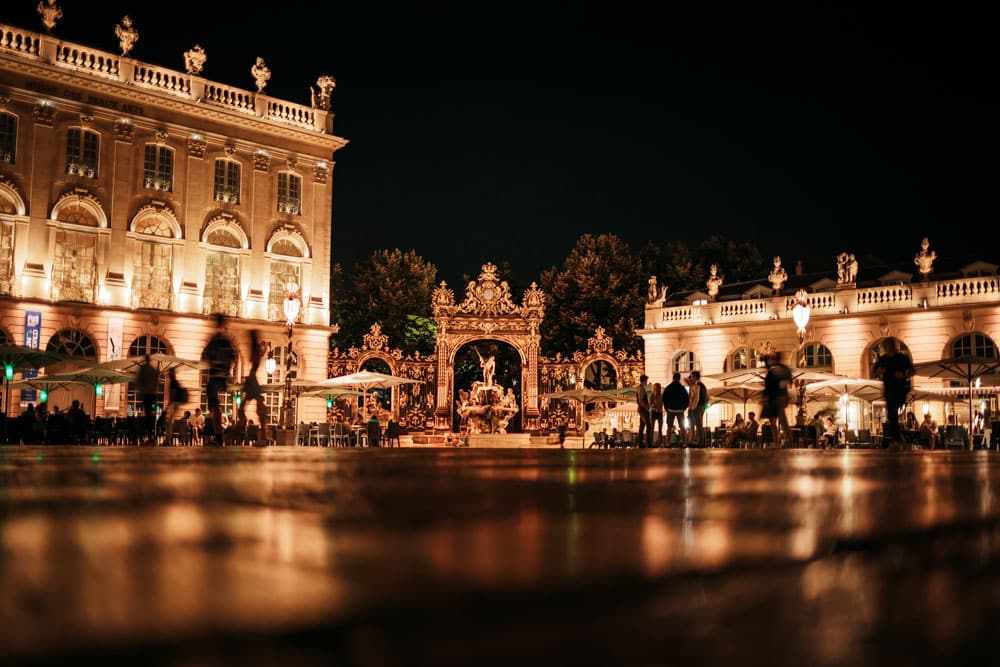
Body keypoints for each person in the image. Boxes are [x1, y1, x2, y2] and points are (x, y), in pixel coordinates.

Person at [873, 338, 913, 451]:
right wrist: (878, 371)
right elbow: (873, 373)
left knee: (894, 414)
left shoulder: (902, 358)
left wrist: (903, 374)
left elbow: (912, 370)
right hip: (889, 390)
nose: (888, 348)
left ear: (894, 346)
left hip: (900, 389)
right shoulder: (883, 360)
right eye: (886, 346)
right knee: (892, 416)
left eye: (890, 345)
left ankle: (898, 441)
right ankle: (899, 440)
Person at [204, 314, 236, 445]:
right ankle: (220, 434)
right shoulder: (227, 340)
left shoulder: (216, 339)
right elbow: (233, 356)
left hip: (216, 375)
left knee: (214, 406)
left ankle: (219, 435)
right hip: (222, 375)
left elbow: (206, 354)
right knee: (214, 405)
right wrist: (228, 372)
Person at [238, 329, 268, 443]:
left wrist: (248, 381)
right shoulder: (256, 349)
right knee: (251, 406)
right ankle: (262, 434)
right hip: (252, 379)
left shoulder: (255, 349)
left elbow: (254, 366)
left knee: (246, 406)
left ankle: (241, 426)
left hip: (252, 380)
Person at [761, 352, 792, 447]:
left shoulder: (774, 370)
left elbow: (769, 385)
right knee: (779, 419)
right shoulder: (784, 369)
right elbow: (789, 381)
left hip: (775, 397)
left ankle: (784, 440)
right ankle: (783, 440)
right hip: (780, 396)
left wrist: (765, 396)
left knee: (777, 420)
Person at [136, 353, 160, 444]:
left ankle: (145, 434)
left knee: (146, 414)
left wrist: (139, 390)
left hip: (145, 394)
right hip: (152, 394)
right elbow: (156, 382)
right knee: (149, 415)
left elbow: (138, 380)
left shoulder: (143, 369)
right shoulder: (153, 369)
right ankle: (150, 434)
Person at [664, 372, 689, 446]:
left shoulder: (668, 388)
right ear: (679, 378)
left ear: (673, 378)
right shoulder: (682, 388)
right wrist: (684, 408)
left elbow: (665, 399)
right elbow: (687, 399)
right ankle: (684, 443)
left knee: (669, 426)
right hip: (680, 410)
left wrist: (667, 408)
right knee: (682, 427)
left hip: (670, 409)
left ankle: (667, 443)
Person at [686, 371, 709, 446]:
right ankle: (702, 441)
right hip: (702, 407)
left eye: (692, 377)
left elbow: (696, 398)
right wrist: (704, 405)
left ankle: (701, 442)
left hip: (697, 407)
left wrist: (693, 407)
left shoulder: (697, 386)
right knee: (699, 425)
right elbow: (707, 397)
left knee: (698, 426)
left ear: (695, 377)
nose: (691, 378)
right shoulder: (703, 386)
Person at [635, 374, 652, 447]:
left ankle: (640, 443)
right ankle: (648, 443)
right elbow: (641, 400)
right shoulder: (641, 388)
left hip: (642, 409)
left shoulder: (640, 388)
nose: (647, 382)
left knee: (642, 426)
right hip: (643, 409)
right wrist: (647, 408)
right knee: (649, 425)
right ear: (644, 380)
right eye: (646, 380)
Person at [649, 382, 664, 446]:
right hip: (654, 412)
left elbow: (662, 403)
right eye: (658, 387)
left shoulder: (661, 395)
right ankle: (651, 442)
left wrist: (661, 408)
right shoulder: (652, 395)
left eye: (659, 387)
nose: (659, 389)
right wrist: (655, 408)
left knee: (660, 428)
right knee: (652, 428)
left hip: (660, 412)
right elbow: (650, 404)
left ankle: (661, 442)